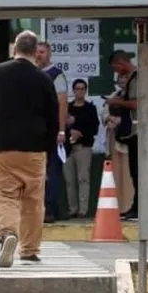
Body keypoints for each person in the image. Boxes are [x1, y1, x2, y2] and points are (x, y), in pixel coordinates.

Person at [0, 31, 58, 268]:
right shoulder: (44, 79)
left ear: (14, 48)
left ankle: (7, 232)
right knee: (33, 200)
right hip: (34, 148)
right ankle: (30, 250)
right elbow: (53, 118)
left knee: (2, 194)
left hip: (1, 147)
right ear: (36, 52)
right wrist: (48, 148)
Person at [34, 42, 69, 223]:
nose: (38, 55)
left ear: (49, 54)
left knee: (52, 171)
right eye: (36, 52)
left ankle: (50, 209)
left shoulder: (56, 75)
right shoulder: (31, 73)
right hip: (35, 132)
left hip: (52, 132)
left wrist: (61, 130)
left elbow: (62, 103)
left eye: (42, 52)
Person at [107, 50, 139, 221]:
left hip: (138, 131)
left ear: (121, 63)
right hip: (132, 132)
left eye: (115, 67)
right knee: (134, 172)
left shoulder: (136, 78)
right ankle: (136, 207)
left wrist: (116, 102)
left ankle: (138, 208)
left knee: (138, 171)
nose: (116, 71)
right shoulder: (131, 80)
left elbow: (136, 103)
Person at [64, 79, 100, 218]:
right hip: (68, 148)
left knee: (83, 178)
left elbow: (95, 128)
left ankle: (83, 210)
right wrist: (70, 132)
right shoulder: (67, 107)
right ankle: (72, 208)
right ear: (73, 91)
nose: (80, 91)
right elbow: (60, 125)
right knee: (69, 179)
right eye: (77, 89)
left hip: (84, 147)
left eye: (82, 89)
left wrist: (81, 133)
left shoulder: (90, 108)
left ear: (85, 91)